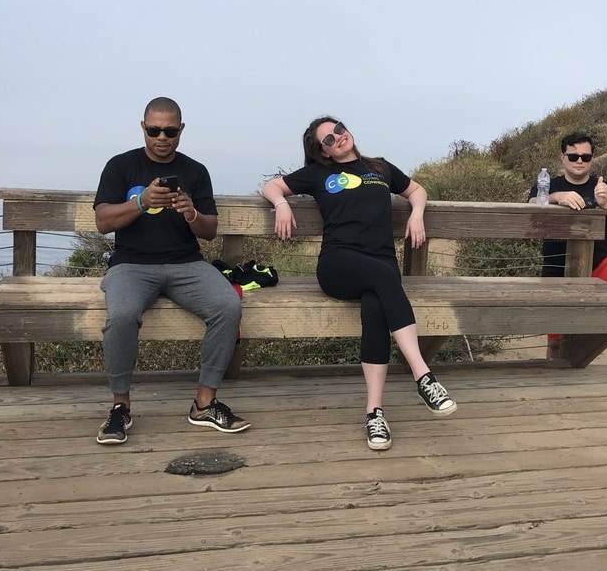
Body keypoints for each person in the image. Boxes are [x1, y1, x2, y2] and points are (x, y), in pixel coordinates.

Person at [261, 116, 457, 451]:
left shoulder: (379, 167)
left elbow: (416, 190)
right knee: (384, 278)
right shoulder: (318, 173)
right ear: (323, 151)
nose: (337, 137)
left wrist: (416, 213)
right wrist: (280, 203)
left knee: (376, 306)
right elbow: (272, 186)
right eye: (328, 139)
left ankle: (374, 413)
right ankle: (423, 376)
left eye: (338, 129)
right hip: (338, 265)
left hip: (380, 268)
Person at [93, 96, 250, 444]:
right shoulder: (120, 166)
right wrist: (141, 202)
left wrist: (192, 214)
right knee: (122, 315)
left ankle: (204, 403)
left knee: (228, 306)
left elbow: (209, 231)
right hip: (131, 264)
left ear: (181, 129)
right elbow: (103, 222)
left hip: (187, 263)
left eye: (169, 131)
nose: (161, 138)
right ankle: (120, 406)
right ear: (143, 128)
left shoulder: (196, 171)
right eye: (154, 130)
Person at [529, 132, 607, 374]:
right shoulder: (549, 185)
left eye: (585, 156)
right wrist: (556, 197)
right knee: (556, 345)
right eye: (573, 156)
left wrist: (606, 204)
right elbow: (531, 203)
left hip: (600, 264)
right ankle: (556, 384)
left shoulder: (605, 187)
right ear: (563, 157)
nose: (579, 161)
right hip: (557, 271)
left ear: (592, 158)